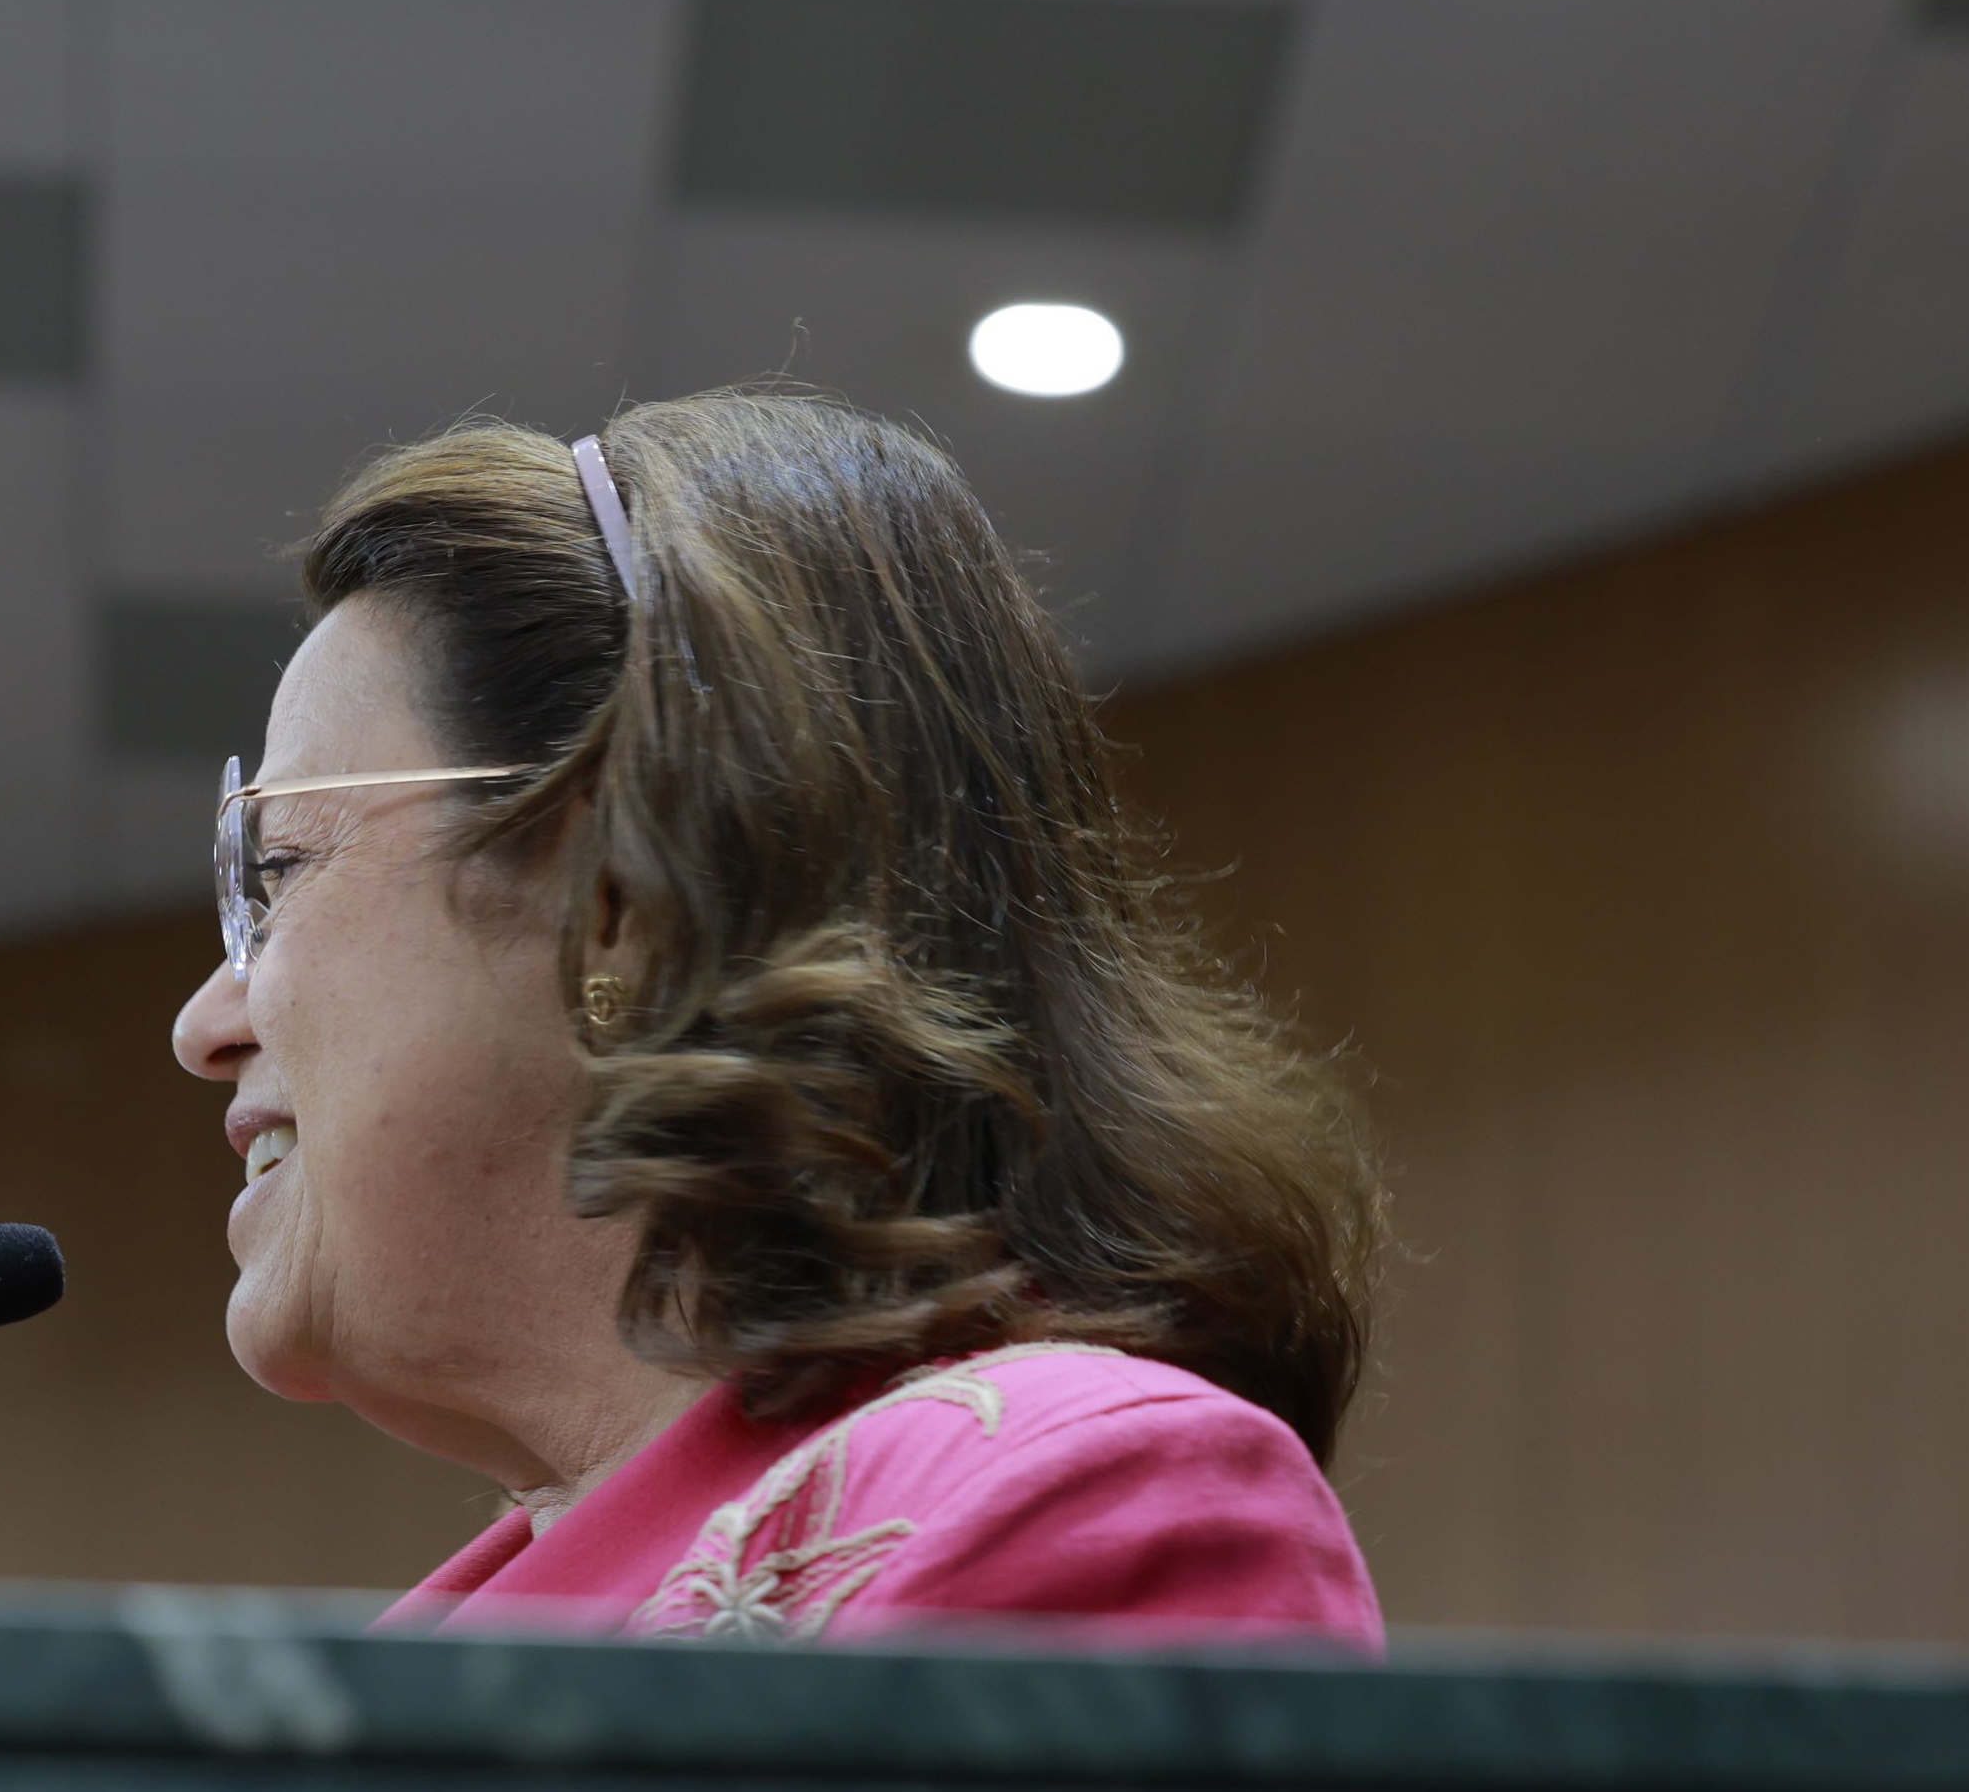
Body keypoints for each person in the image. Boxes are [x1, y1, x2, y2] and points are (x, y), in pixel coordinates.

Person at [171, 389, 1389, 1648]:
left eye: (283, 867)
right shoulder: (434, 1643)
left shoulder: (1073, 1499)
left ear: (622, 903)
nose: (202, 1026)